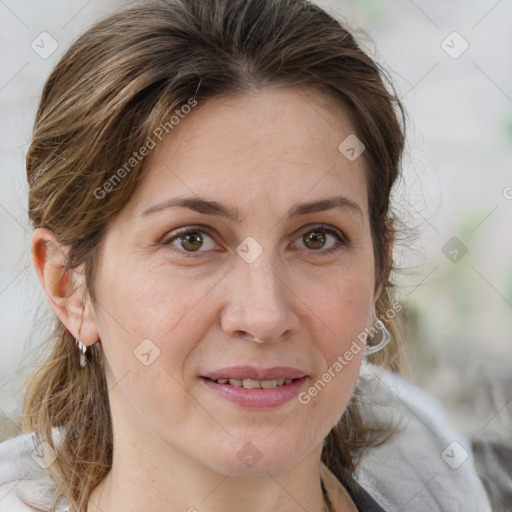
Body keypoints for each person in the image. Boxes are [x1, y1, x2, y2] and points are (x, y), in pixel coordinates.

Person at [0, 0, 493, 511]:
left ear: (379, 271)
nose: (264, 315)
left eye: (317, 238)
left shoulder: (439, 480)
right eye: (191, 239)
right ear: (69, 285)